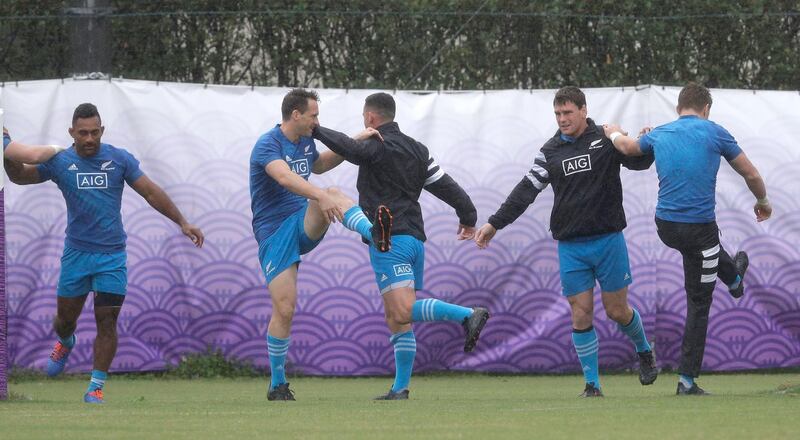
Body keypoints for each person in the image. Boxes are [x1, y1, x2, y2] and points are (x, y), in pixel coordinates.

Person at [3, 103, 204, 404]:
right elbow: (20, 176)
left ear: (102, 131)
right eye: (83, 133)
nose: (89, 139)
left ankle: (95, 386)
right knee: (64, 320)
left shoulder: (118, 159)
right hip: (76, 255)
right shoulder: (60, 161)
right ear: (71, 133)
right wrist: (6, 150)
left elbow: (150, 191)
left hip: (112, 256)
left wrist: (183, 221)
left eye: (94, 132)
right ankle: (65, 341)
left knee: (107, 321)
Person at [474, 86, 658, 397]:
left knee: (616, 310)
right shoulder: (550, 151)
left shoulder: (606, 137)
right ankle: (592, 385)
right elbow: (525, 191)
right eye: (558, 114)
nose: (562, 119)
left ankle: (644, 350)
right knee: (580, 311)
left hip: (608, 240)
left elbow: (638, 162)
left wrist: (647, 143)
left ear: (584, 110)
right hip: (571, 246)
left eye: (568, 113)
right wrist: (494, 223)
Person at [312, 92, 490, 400]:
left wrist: (315, 129)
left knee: (403, 310)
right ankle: (400, 388)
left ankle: (467, 314)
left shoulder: (375, 144)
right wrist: (468, 216)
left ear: (370, 118)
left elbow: (349, 148)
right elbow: (447, 186)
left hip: (388, 240)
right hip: (414, 241)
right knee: (396, 318)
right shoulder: (418, 151)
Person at [603, 83, 771, 395]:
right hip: (699, 229)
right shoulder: (714, 131)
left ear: (679, 107)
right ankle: (687, 381)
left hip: (666, 227)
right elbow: (751, 175)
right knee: (699, 301)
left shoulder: (661, 133)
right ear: (706, 109)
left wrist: (613, 131)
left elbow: (626, 147)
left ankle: (734, 277)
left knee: (704, 251)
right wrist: (763, 202)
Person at [250, 88, 372, 401]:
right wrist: (319, 195)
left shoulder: (306, 141)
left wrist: (355, 141)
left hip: (302, 221)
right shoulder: (268, 144)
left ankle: (373, 233)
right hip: (275, 234)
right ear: (296, 115)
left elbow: (318, 166)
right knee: (285, 308)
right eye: (314, 115)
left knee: (330, 188)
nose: (317, 122)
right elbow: (284, 178)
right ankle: (277, 385)